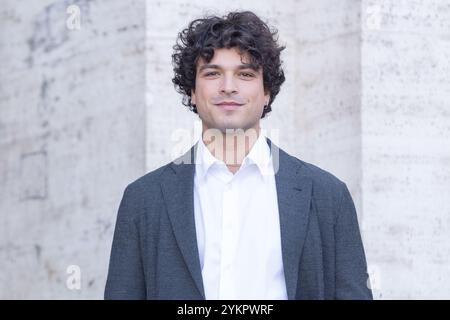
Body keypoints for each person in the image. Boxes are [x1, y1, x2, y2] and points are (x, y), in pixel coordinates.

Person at [105, 10, 372, 300]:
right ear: (193, 91)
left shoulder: (327, 196)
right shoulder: (144, 199)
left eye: (245, 74)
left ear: (267, 90)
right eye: (212, 73)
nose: (228, 86)